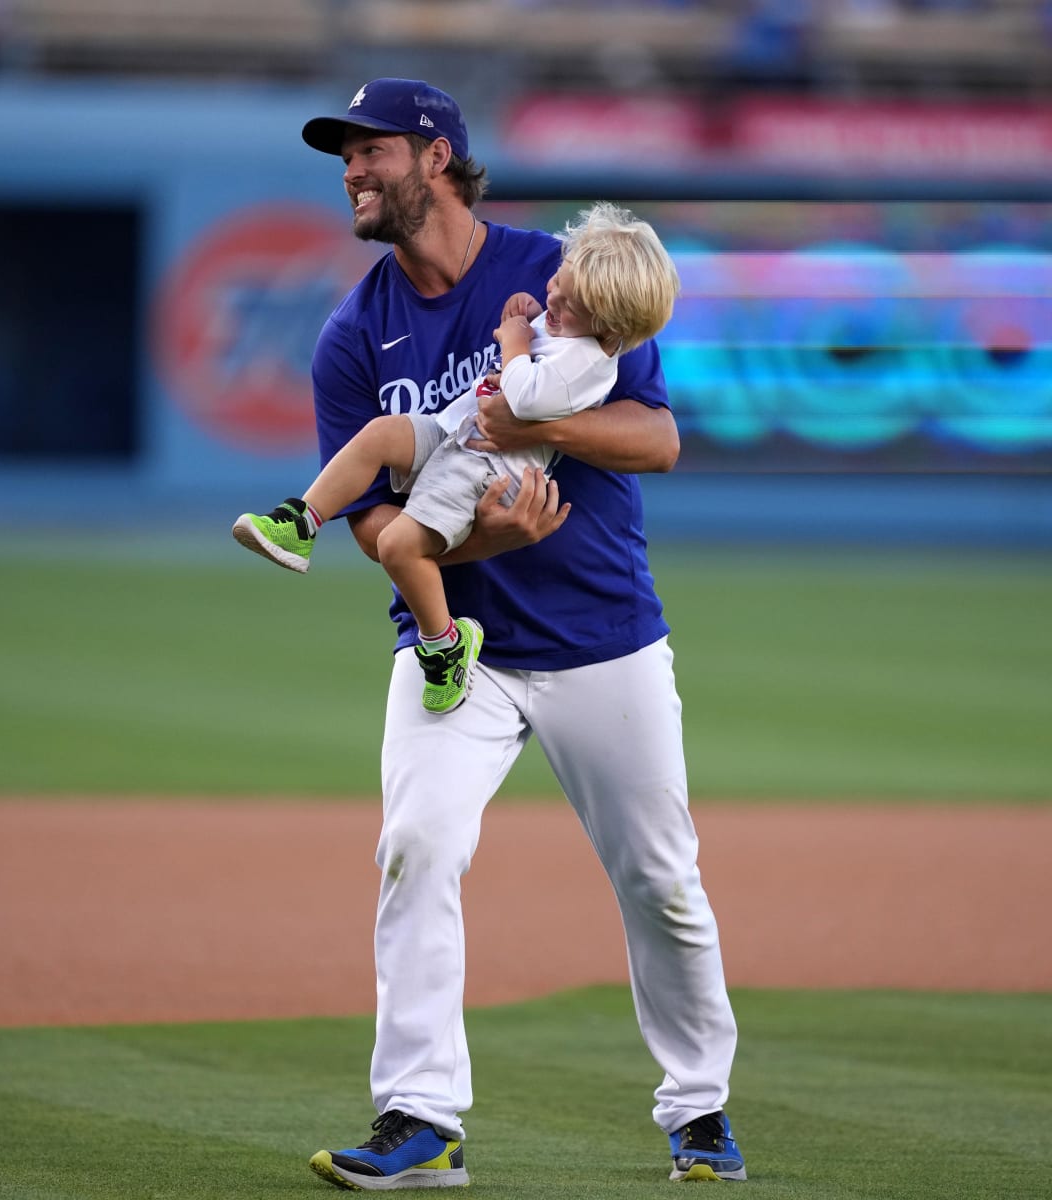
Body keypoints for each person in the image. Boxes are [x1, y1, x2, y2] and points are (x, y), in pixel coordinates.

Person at [292, 78, 745, 1189]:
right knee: (417, 848)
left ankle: (699, 1114)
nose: (351, 169)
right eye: (343, 155)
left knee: (663, 881)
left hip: (604, 639)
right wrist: (485, 542)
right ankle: (421, 1118)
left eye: (370, 150)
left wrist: (539, 419)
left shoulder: (559, 272)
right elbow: (379, 533)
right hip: (457, 645)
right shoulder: (354, 336)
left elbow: (657, 438)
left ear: (436, 155)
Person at [232, 201, 681, 716]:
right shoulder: (567, 331)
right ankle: (301, 520)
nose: (552, 293)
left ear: (605, 324)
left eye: (570, 300)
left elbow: (527, 394)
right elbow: (545, 336)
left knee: (398, 544)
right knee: (380, 434)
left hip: (485, 468)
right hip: (457, 435)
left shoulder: (591, 360)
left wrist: (513, 339)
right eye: (559, 278)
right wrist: (532, 318)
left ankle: (444, 645)